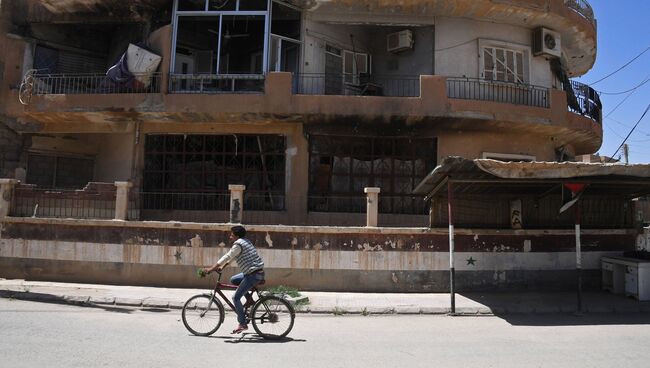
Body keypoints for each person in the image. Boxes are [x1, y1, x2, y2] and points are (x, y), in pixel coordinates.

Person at [202, 225, 265, 334]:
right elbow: (233, 257)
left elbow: (227, 256)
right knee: (234, 280)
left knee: (235, 298)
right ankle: (249, 300)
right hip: (255, 273)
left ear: (236, 235)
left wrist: (212, 269)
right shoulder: (246, 242)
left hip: (252, 275)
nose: (230, 236)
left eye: (231, 234)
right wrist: (222, 267)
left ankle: (242, 324)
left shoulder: (238, 244)